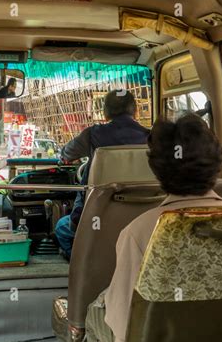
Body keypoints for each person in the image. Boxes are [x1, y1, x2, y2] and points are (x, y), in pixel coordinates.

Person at [85, 113, 222, 342]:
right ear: (217, 165)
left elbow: (125, 325)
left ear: (157, 170)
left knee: (95, 314)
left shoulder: (139, 233)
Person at [54, 89, 150, 259]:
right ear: (135, 110)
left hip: (96, 218)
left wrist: (65, 160)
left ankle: (83, 265)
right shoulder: (150, 137)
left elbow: (66, 154)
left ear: (105, 112)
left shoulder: (92, 135)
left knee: (62, 227)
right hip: (141, 217)